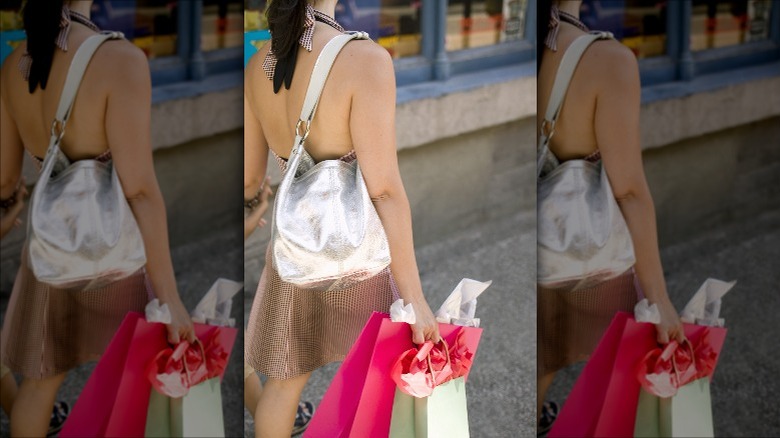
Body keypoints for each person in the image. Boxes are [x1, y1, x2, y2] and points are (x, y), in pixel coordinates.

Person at [243, 1, 440, 436]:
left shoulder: (258, 63)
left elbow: (249, 180)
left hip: (294, 255)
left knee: (283, 383)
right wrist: (415, 299)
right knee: (384, 373)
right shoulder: (364, 59)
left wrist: (257, 207)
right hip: (360, 257)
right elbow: (384, 188)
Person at [0, 1, 193, 436]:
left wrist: (13, 207)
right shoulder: (118, 59)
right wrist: (170, 298)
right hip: (115, 258)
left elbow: (5, 179)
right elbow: (140, 189)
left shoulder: (13, 64)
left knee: (39, 383)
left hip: (49, 255)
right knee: (133, 377)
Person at [536, 0, 685, 435]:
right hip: (580, 256)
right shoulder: (606, 61)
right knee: (609, 363)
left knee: (541, 354)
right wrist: (658, 300)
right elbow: (630, 191)